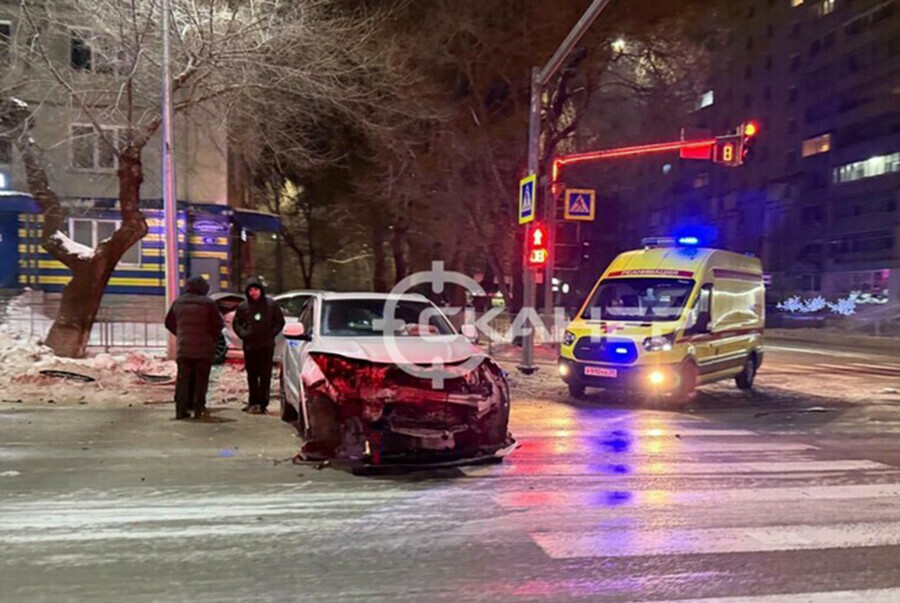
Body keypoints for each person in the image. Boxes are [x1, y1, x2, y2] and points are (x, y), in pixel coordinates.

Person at [164, 275, 224, 420]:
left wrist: (181, 333)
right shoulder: (208, 304)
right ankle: (198, 409)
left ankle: (181, 410)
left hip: (184, 349)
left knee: (183, 381)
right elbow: (218, 324)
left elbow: (169, 322)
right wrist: (211, 338)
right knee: (201, 381)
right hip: (204, 350)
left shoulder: (179, 302)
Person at [233, 277, 285, 414]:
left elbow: (280, 322)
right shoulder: (243, 306)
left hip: (266, 346)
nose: (253, 293)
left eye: (256, 289)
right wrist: (244, 334)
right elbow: (237, 323)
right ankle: (253, 401)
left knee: (265, 375)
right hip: (250, 346)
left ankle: (263, 403)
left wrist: (271, 334)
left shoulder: (271, 305)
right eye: (250, 290)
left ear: (261, 290)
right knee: (252, 375)